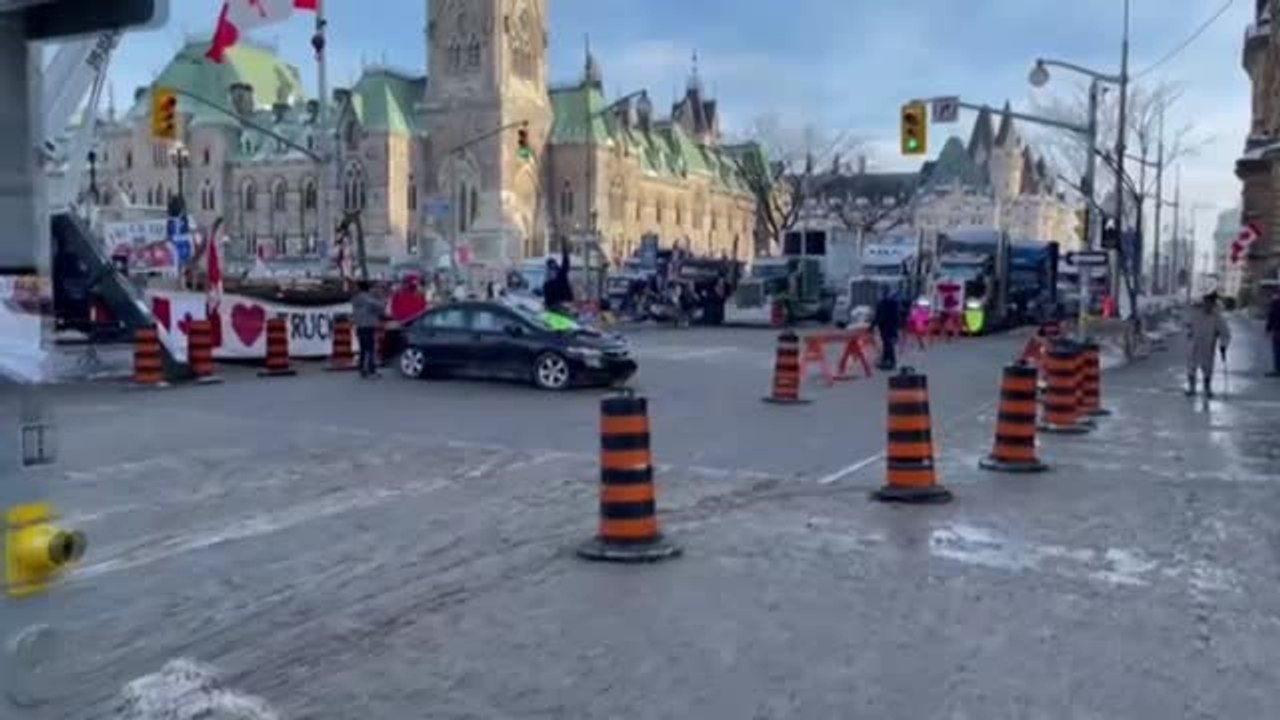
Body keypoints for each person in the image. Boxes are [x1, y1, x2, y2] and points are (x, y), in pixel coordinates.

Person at [1185, 291, 1231, 397]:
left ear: (1213, 304)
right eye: (1206, 303)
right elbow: (1187, 323)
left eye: (1210, 304)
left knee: (1207, 368)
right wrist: (1189, 331)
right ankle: (1192, 387)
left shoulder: (1217, 316)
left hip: (1208, 345)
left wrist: (1223, 345)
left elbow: (1225, 333)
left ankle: (1207, 388)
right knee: (1191, 366)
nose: (1207, 306)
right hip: (1194, 344)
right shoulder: (1195, 312)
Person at [351, 280, 386, 379]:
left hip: (359, 326)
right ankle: (371, 370)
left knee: (362, 349)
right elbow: (380, 307)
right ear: (368, 288)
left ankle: (362, 369)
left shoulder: (355, 298)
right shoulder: (368, 299)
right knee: (370, 349)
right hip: (368, 325)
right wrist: (382, 298)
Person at [872, 287, 903, 371]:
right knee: (887, 343)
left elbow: (878, 316)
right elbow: (897, 315)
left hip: (886, 326)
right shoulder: (893, 303)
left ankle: (889, 361)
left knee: (888, 344)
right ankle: (887, 360)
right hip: (889, 326)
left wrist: (872, 326)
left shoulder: (883, 303)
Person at [542, 242, 573, 312]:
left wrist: (565, 251)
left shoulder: (561, 275)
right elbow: (547, 298)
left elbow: (565, 264)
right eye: (550, 269)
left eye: (553, 268)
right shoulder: (547, 283)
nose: (551, 272)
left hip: (563, 306)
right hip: (552, 309)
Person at [1267, 292, 1280, 377]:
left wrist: (1268, 328)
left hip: (1278, 330)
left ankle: (1277, 369)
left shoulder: (1276, 303)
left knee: (1277, 349)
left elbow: (1271, 316)